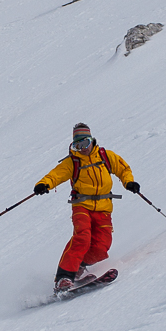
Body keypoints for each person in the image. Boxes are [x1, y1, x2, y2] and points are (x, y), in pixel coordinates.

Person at [33, 124, 140, 292]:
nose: (82, 148)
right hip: (82, 205)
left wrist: (129, 182)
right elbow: (56, 174)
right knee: (82, 237)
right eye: (78, 145)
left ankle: (78, 268)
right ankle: (63, 278)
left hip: (104, 207)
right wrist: (43, 184)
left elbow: (123, 168)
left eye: (85, 143)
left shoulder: (106, 156)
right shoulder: (72, 162)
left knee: (101, 247)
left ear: (92, 141)